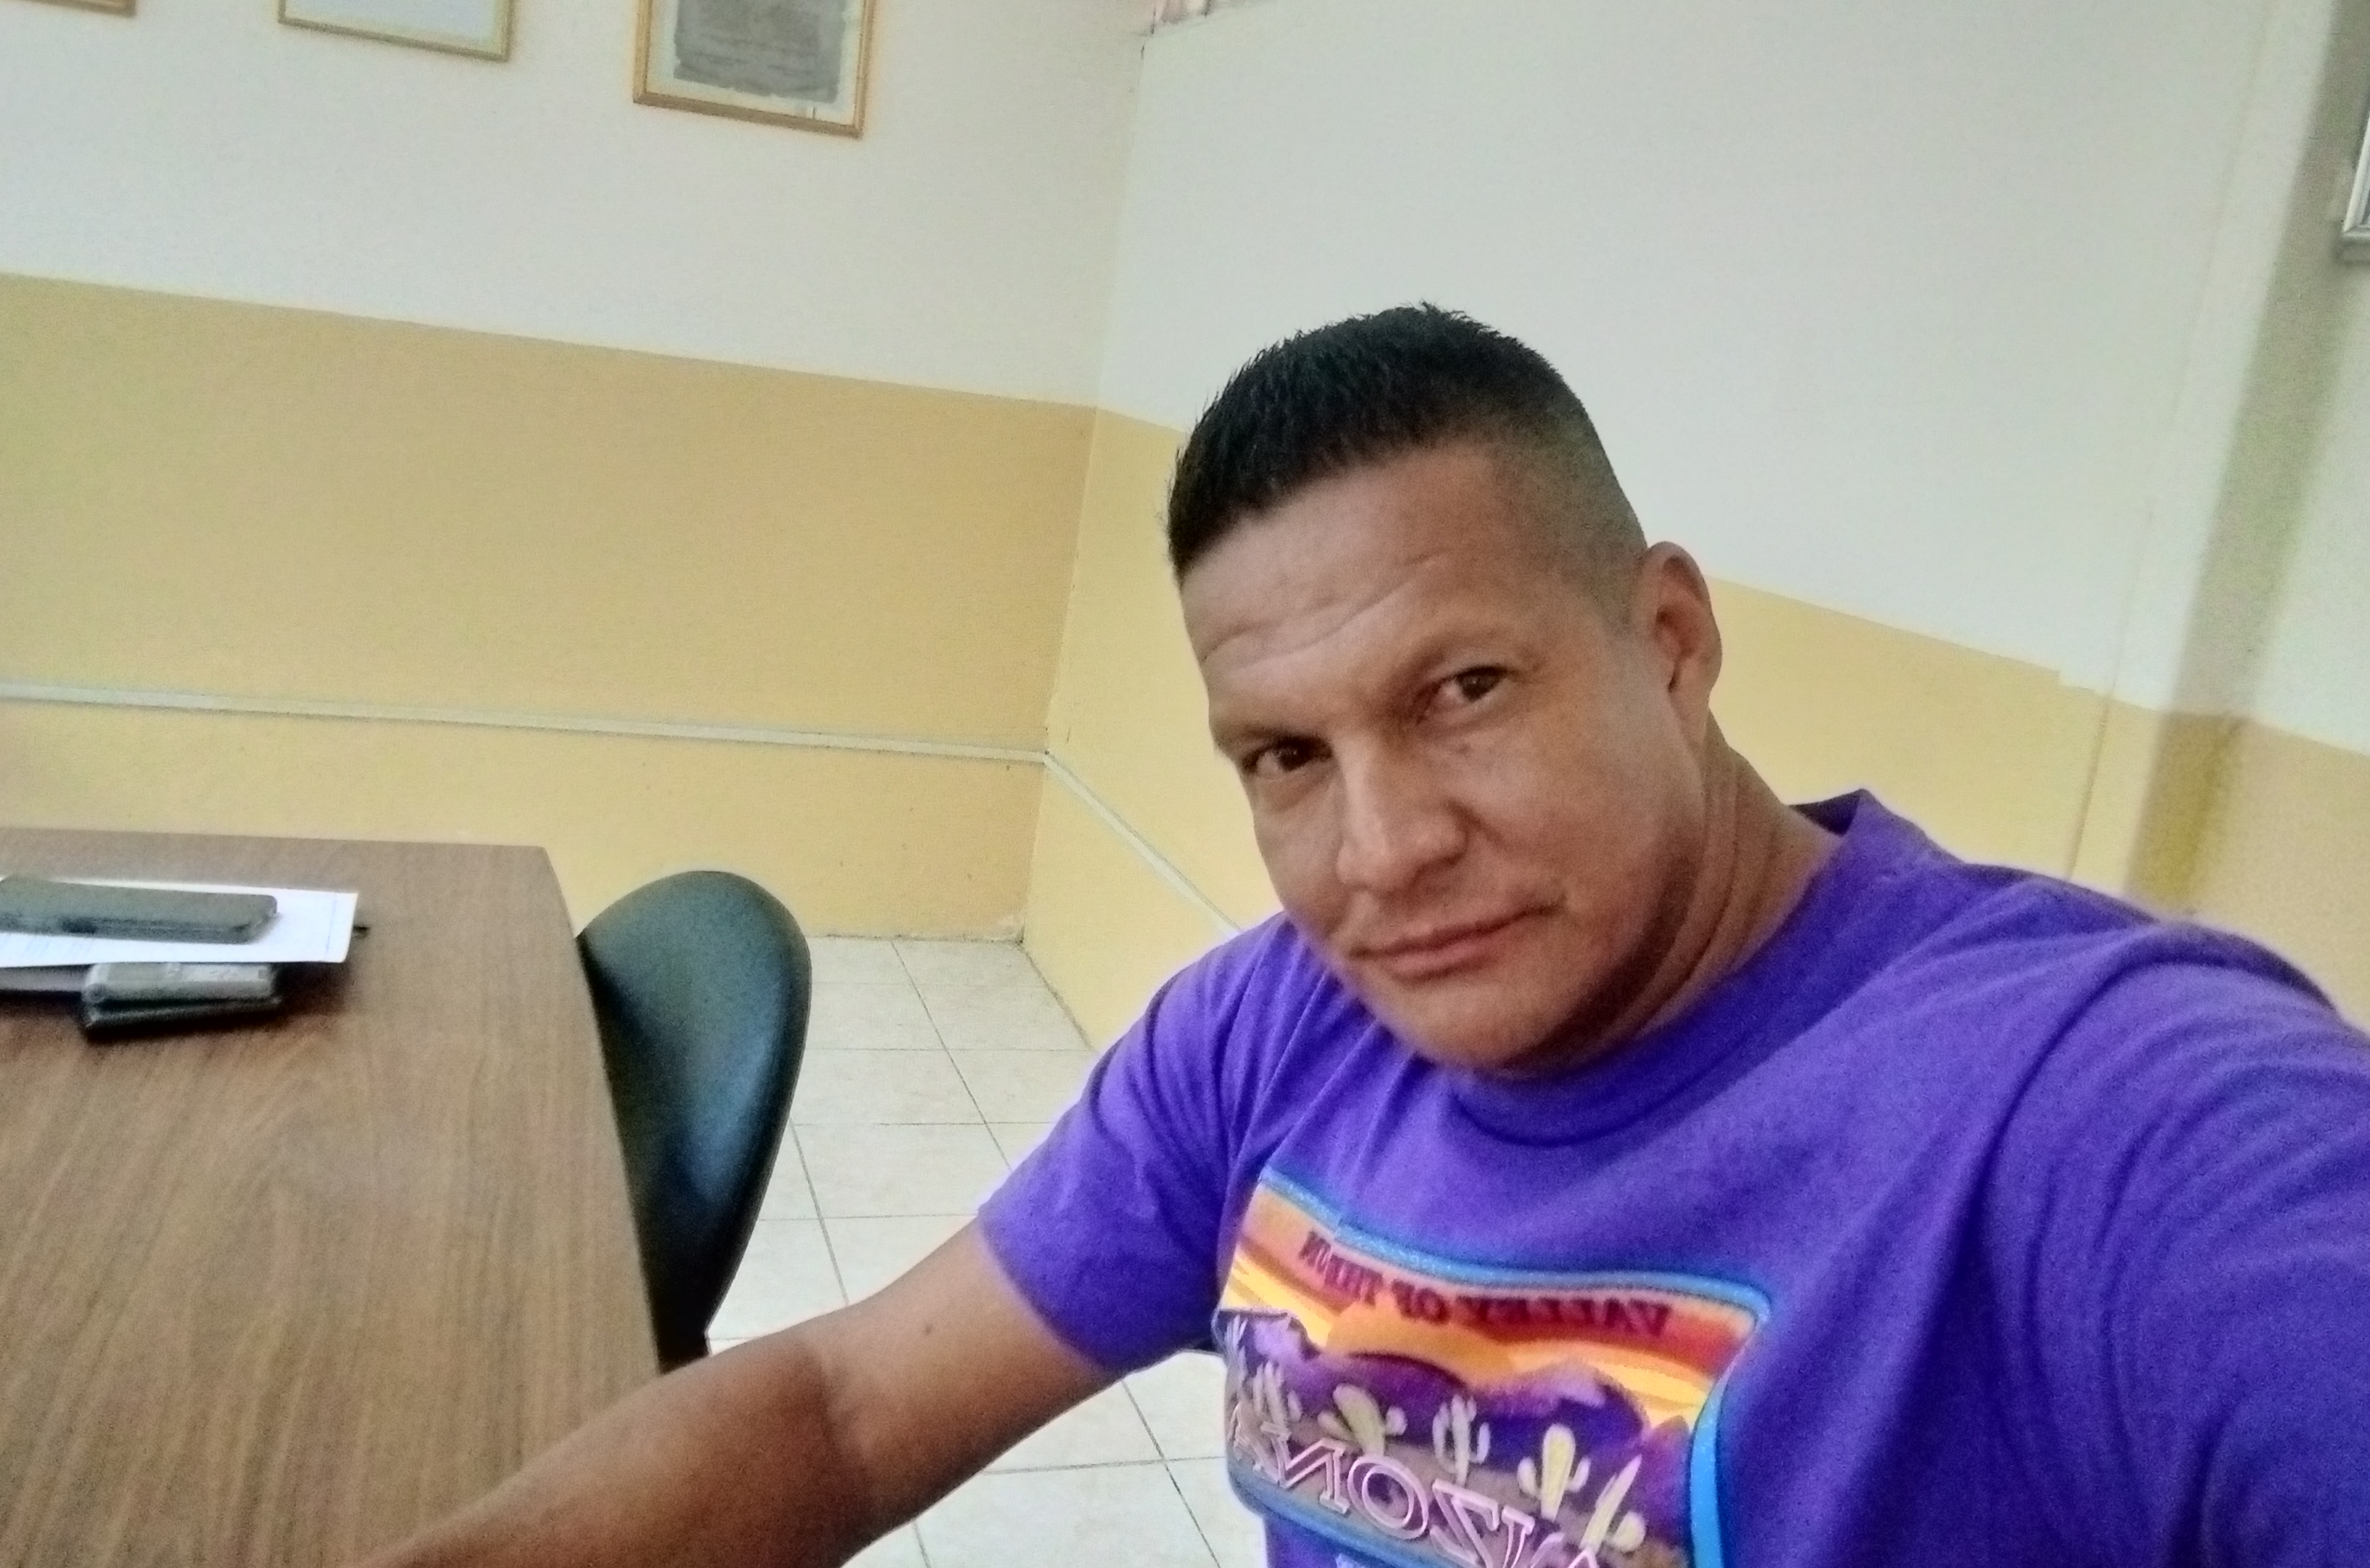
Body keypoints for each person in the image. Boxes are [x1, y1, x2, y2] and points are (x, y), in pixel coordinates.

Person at [362, 306, 2370, 1568]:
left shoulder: (2107, 1112)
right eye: (1286, 756)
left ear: (1670, 644)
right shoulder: (1276, 1034)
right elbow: (846, 1409)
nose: (1386, 851)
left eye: (1463, 691)